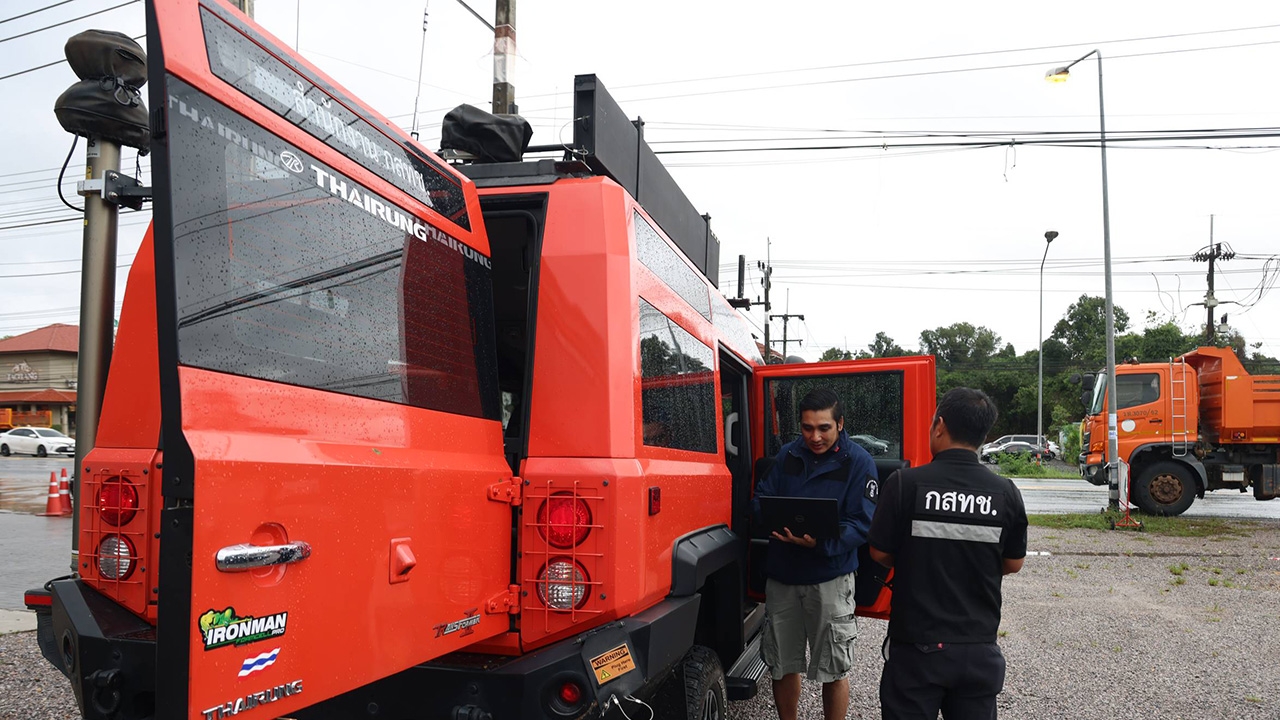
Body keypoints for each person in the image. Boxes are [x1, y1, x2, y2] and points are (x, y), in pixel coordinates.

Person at [868, 387, 1028, 720]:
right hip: (978, 650)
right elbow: (1013, 563)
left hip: (916, 650)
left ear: (939, 426)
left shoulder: (904, 484)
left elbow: (879, 552)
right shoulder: (1005, 492)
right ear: (984, 435)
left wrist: (916, 556)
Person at [752, 387, 878, 720]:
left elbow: (862, 524)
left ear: (840, 424)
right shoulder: (788, 456)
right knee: (781, 664)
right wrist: (771, 520)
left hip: (830, 579)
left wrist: (821, 544)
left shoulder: (860, 463)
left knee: (833, 669)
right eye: (808, 428)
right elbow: (761, 499)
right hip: (783, 577)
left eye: (824, 428)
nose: (815, 436)